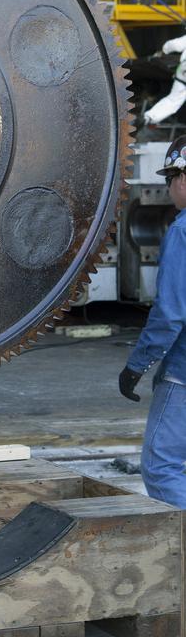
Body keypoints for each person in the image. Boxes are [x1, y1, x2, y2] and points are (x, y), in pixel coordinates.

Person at [119, 137, 186, 507]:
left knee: (161, 467)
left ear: (182, 178)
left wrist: (137, 365)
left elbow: (171, 313)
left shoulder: (182, 231)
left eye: (171, 178)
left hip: (184, 373)